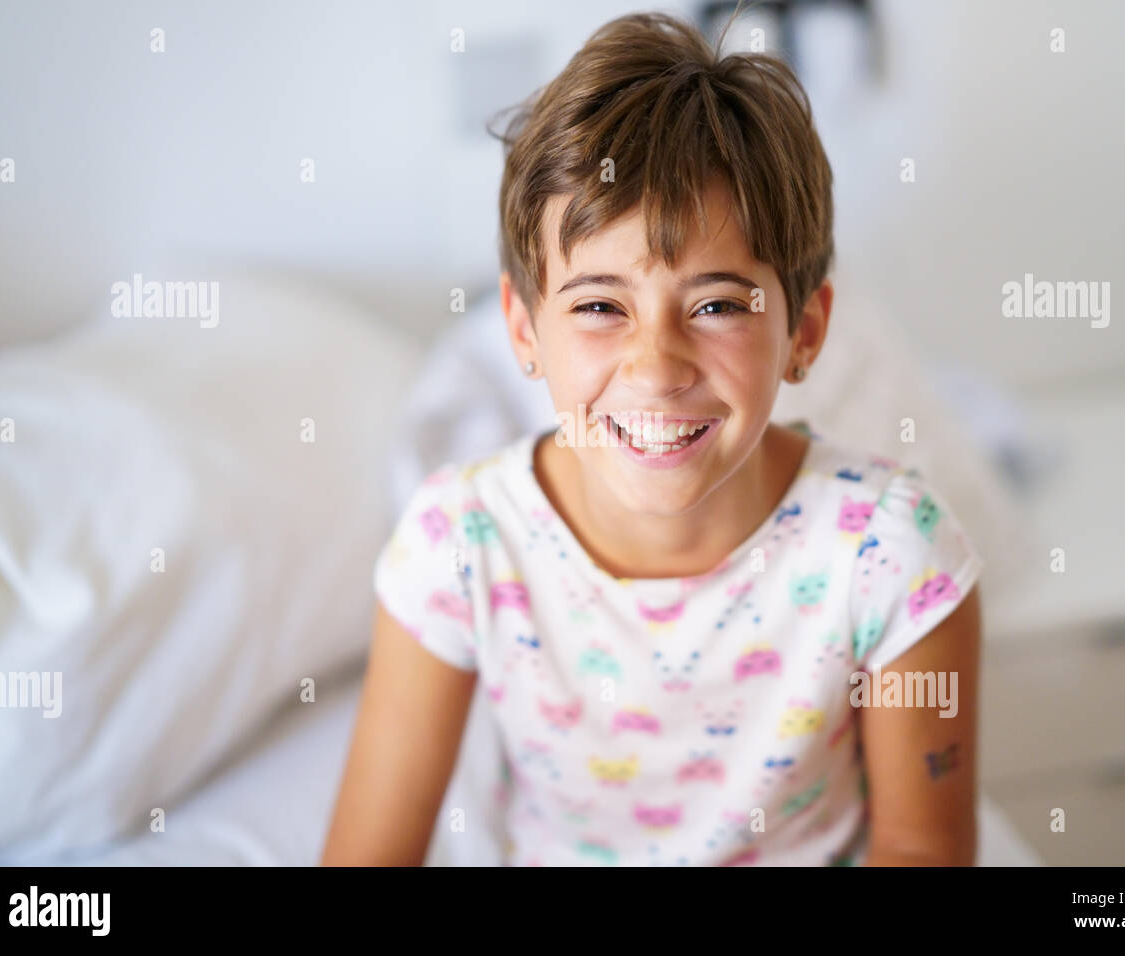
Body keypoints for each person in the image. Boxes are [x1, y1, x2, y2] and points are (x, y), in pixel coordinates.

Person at [322, 8, 982, 867]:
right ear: (523, 330)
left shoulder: (894, 555)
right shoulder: (459, 546)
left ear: (806, 332)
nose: (657, 366)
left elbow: (921, 851)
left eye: (716, 306)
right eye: (600, 306)